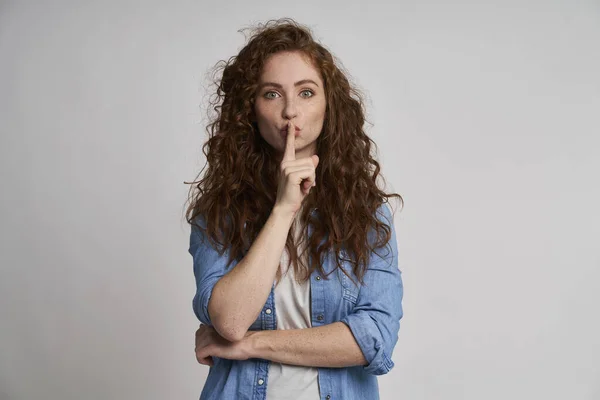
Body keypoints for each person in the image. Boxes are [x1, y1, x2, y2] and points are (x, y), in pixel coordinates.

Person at [185, 18, 404, 400]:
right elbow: (231, 320)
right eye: (271, 94)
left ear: (328, 104)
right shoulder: (219, 211)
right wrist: (284, 208)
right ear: (250, 109)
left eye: (306, 93)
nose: (290, 111)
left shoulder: (366, 214)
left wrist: (250, 346)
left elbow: (374, 339)